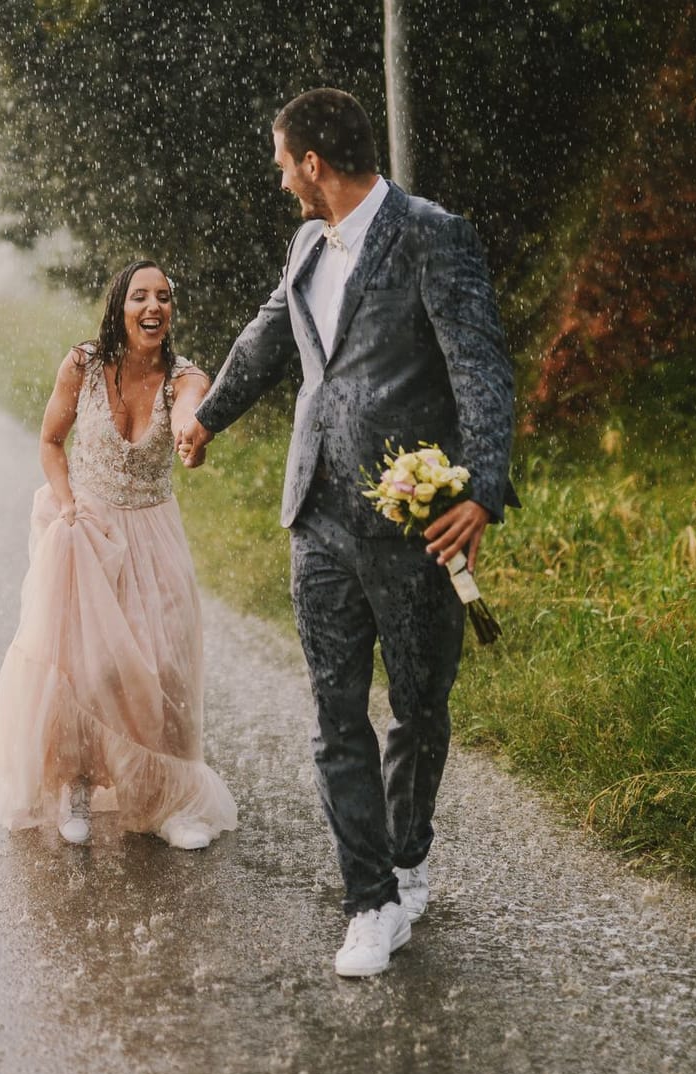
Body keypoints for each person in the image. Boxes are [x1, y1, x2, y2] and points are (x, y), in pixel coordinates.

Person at [175, 88, 517, 976]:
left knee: (417, 707)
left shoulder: (433, 235)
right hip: (315, 516)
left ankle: (407, 858)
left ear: (314, 164)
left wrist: (482, 488)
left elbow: (480, 364)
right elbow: (268, 334)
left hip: (411, 523)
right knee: (335, 717)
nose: (281, 177)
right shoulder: (305, 243)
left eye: (285, 162)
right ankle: (367, 900)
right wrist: (209, 415)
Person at [0, 260, 239, 850]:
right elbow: (51, 441)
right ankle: (74, 784)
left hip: (155, 531)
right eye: (141, 297)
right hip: (87, 527)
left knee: (167, 664)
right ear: (119, 307)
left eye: (164, 298)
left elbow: (190, 414)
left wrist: (189, 438)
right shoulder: (83, 365)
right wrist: (67, 502)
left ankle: (170, 800)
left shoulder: (186, 377)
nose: (154, 307)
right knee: (85, 666)